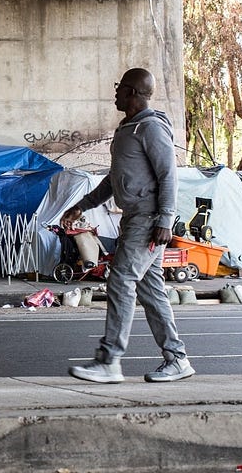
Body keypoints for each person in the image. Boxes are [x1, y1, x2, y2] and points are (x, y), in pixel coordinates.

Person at [62, 67, 194, 384]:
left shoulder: (151, 129)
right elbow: (114, 180)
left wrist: (165, 219)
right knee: (151, 291)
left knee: (121, 280)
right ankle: (177, 359)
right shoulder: (129, 128)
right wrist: (84, 204)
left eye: (120, 88)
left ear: (132, 92)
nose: (116, 93)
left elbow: (168, 176)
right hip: (135, 217)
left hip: (148, 219)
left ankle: (109, 361)